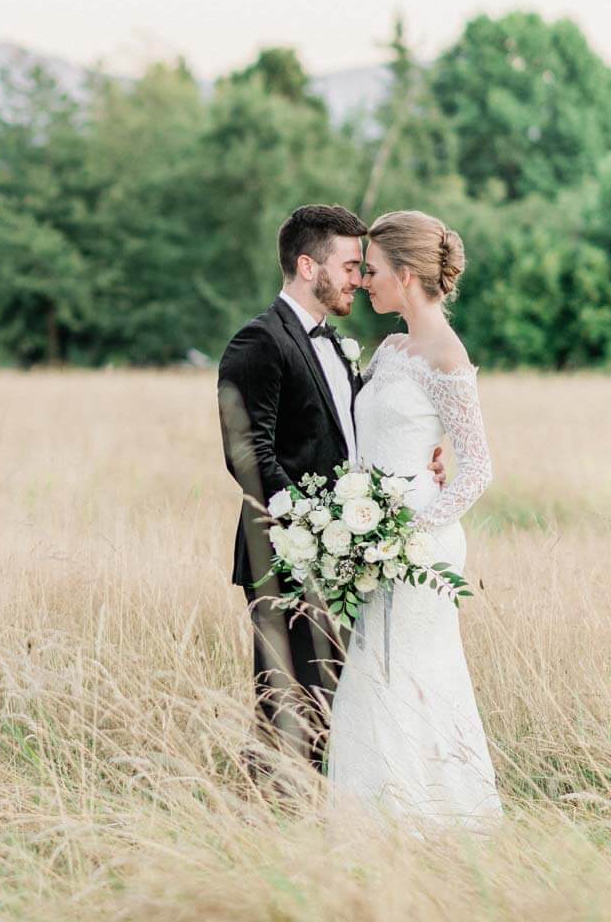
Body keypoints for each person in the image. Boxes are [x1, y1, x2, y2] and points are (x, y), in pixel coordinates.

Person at [216, 205, 444, 775]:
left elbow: (358, 431)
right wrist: (310, 529)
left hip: (342, 559)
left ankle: (314, 830)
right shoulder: (258, 342)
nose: (357, 279)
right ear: (306, 265)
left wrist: (427, 455)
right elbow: (248, 453)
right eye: (347, 266)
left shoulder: (335, 344)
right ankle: (262, 827)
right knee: (287, 713)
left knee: (331, 712)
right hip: (286, 561)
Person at [324, 210, 502, 828]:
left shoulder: (447, 357)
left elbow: (478, 468)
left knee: (410, 674)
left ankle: (428, 823)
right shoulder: (393, 346)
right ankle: (372, 821)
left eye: (371, 272)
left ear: (405, 274)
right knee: (372, 674)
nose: (365, 281)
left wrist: (406, 533)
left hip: (416, 550)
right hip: (373, 537)